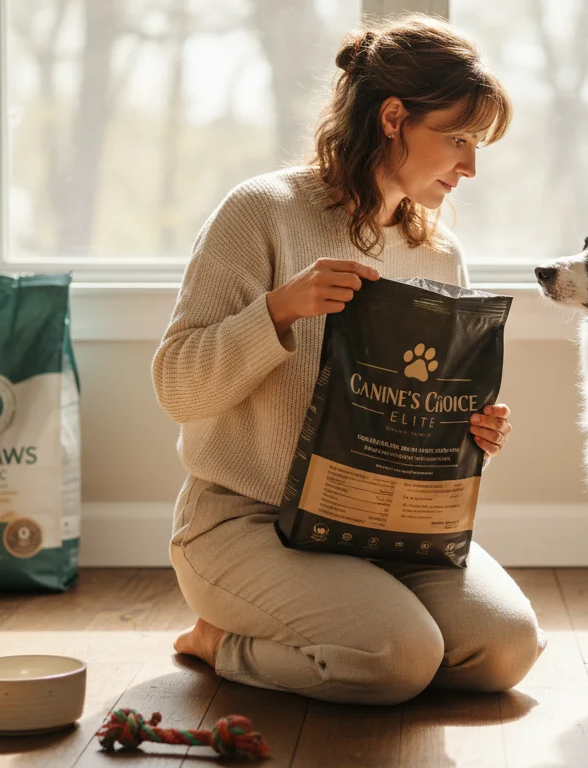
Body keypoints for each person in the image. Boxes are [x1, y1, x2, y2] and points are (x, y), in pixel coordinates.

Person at [151, 13, 546, 706]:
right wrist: (277, 312)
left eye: (476, 145)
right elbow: (176, 388)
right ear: (393, 117)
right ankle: (224, 642)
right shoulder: (261, 212)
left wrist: (471, 430)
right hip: (245, 523)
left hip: (381, 526)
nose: (470, 166)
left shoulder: (438, 251)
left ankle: (362, 630)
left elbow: (407, 419)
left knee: (507, 648)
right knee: (398, 659)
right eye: (457, 139)